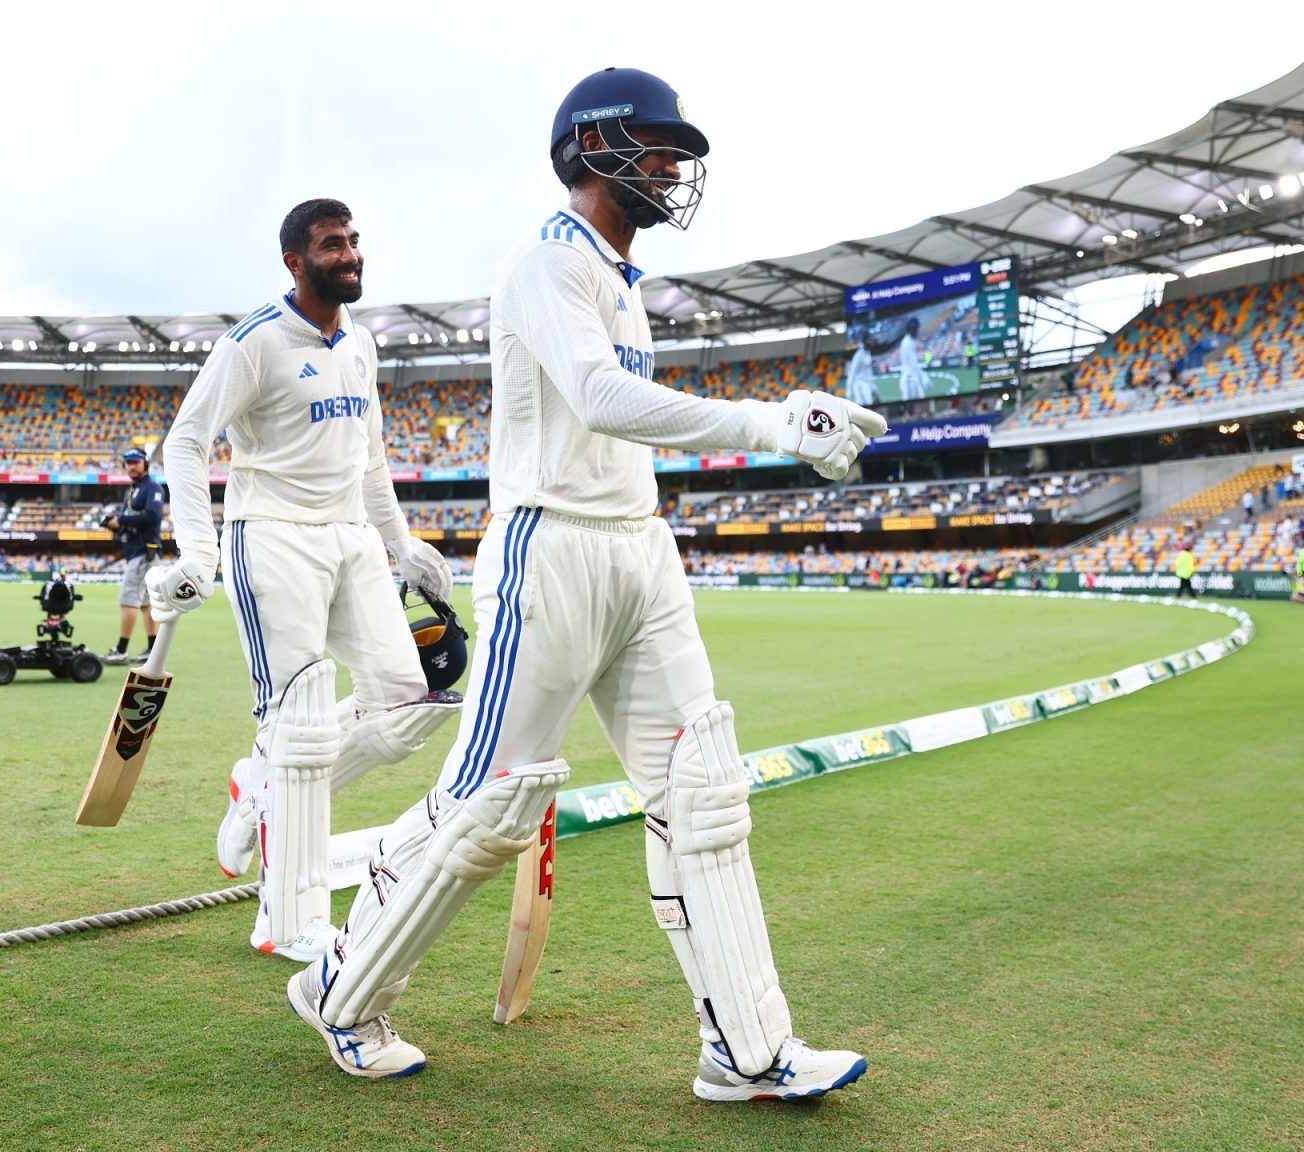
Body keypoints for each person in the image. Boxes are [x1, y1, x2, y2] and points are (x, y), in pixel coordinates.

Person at [287, 67, 887, 1100]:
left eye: (676, 154)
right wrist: (769, 423)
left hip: (638, 551)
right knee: (492, 805)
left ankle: (748, 1051)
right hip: (549, 550)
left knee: (703, 792)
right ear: (593, 146)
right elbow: (602, 398)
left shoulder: (620, 279)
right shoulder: (544, 260)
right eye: (656, 147)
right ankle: (343, 988)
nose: (671, 168)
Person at [149, 198, 463, 962]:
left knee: (413, 700)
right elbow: (186, 442)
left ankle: (260, 790)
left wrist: (401, 542)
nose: (349, 253)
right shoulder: (254, 343)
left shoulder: (359, 342)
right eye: (332, 244)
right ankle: (286, 922)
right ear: (296, 260)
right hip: (275, 539)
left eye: (354, 241)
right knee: (297, 724)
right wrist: (199, 550)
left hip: (352, 537)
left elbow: (373, 457)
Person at [101, 447, 164, 665]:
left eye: (135, 462)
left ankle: (120, 651)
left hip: (144, 552)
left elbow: (153, 515)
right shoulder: (132, 490)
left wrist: (123, 521)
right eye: (127, 463)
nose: (131, 466)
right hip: (138, 552)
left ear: (145, 464)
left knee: (129, 602)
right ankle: (153, 650)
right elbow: (131, 520)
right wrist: (115, 524)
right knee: (147, 604)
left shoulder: (152, 487)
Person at [898, 317, 930, 401]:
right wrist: (923, 375)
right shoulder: (907, 343)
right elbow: (913, 363)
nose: (917, 331)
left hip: (912, 377)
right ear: (912, 329)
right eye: (916, 329)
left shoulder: (910, 341)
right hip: (909, 379)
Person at [844, 334, 876, 407]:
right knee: (862, 405)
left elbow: (868, 372)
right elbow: (852, 372)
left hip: (866, 383)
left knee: (870, 404)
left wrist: (873, 387)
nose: (871, 342)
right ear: (865, 341)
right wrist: (848, 392)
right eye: (869, 340)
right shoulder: (858, 355)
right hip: (858, 384)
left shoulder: (867, 353)